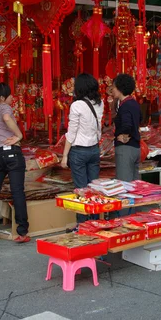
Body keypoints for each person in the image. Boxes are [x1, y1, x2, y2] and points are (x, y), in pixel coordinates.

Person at [0, 83, 30, 243]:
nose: (12, 98)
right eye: (10, 95)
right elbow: (7, 118)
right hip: (11, 152)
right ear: (2, 98)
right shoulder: (4, 108)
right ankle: (22, 232)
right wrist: (19, 135)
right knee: (17, 191)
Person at [61, 74, 104, 224]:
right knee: (93, 190)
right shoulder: (100, 103)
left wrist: (65, 155)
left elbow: (71, 133)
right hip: (94, 150)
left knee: (81, 191)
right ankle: (95, 223)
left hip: (79, 151)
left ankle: (83, 226)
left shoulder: (77, 105)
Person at [112, 74, 141, 182]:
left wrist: (124, 135)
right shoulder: (134, 103)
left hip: (126, 149)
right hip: (135, 147)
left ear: (120, 88)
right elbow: (140, 119)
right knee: (134, 184)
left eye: (114, 87)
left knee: (124, 184)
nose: (113, 90)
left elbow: (127, 125)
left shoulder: (125, 106)